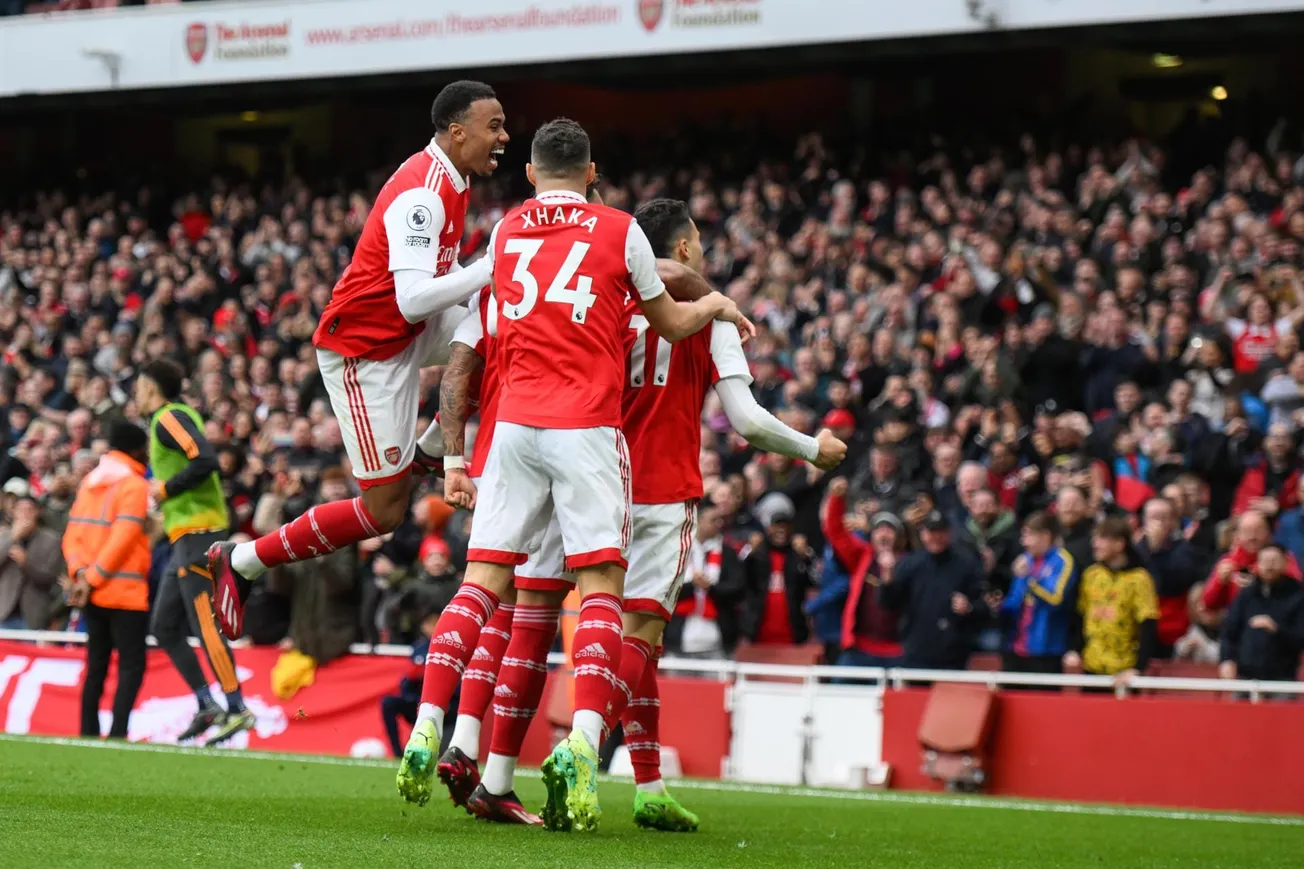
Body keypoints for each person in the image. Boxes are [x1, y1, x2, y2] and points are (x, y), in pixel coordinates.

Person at [397, 118, 750, 834]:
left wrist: (454, 454)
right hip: (584, 425)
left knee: (481, 586)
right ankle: (582, 748)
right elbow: (674, 322)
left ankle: (429, 724)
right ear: (592, 172)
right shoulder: (620, 232)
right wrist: (713, 301)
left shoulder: (504, 234)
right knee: (600, 590)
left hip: (513, 432)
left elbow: (467, 347)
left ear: (529, 173)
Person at [209, 81, 511, 639]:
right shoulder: (423, 192)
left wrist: (482, 289)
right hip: (365, 351)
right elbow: (412, 297)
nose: (504, 137)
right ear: (457, 130)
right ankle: (243, 560)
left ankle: (428, 453)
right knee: (384, 513)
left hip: (405, 332)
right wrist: (490, 267)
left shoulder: (452, 179)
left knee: (503, 338)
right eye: (493, 126)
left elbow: (429, 293)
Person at [134, 359, 253, 745]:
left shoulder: (167, 417)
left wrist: (165, 490)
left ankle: (237, 708)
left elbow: (205, 460)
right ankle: (207, 704)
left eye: (138, 386)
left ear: (151, 387)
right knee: (164, 626)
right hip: (183, 535)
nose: (135, 393)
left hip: (199, 534)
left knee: (205, 622)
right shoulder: (169, 419)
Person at [61, 420, 151, 739]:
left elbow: (72, 535)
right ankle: (117, 734)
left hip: (91, 594)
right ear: (138, 449)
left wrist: (80, 575)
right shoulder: (135, 485)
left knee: (96, 665)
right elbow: (123, 537)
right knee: (131, 666)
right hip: (124, 592)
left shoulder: (90, 481)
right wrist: (94, 578)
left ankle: (87, 733)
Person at [879, 509, 987, 670]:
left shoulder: (966, 564)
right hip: (915, 652)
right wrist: (887, 580)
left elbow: (983, 606)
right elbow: (888, 604)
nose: (936, 537)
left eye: (941, 532)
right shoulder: (910, 564)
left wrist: (968, 607)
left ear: (949, 533)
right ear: (922, 534)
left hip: (954, 655)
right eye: (931, 532)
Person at [1064, 516, 1160, 686]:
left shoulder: (1139, 579)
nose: (1095, 544)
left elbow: (1148, 624)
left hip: (1124, 672)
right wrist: (1075, 650)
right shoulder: (1091, 575)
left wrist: (1138, 668)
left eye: (1102, 538)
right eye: (1095, 538)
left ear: (1119, 544)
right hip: (1091, 667)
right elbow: (1081, 615)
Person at [821, 478, 905, 670]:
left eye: (890, 530)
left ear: (900, 538)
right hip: (859, 649)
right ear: (872, 536)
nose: (884, 534)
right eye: (879, 530)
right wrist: (836, 498)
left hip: (900, 652)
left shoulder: (911, 563)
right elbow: (835, 531)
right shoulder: (861, 557)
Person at [1000, 511, 1077, 678]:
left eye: (1028, 535)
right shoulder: (1025, 560)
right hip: (1015, 647)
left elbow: (1055, 599)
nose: (1023, 541)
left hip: (1046, 649)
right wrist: (998, 605)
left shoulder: (1062, 561)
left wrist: (1029, 579)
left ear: (1045, 536)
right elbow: (1014, 600)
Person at [1218, 544, 1304, 684]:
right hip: (1245, 675)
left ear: (1285, 563)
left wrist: (1276, 629)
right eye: (1264, 561)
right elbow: (1229, 631)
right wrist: (1227, 659)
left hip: (1282, 677)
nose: (1269, 567)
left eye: (1274, 561)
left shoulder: (1297, 595)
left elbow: (1300, 636)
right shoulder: (1247, 594)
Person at [1134, 496, 1205, 657]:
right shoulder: (1135, 551)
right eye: (1154, 517)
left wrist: (1156, 549)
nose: (1158, 523)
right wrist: (1149, 550)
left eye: (1164, 518)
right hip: (1137, 629)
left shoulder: (1185, 550)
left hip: (1171, 630)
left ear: (1173, 521)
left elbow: (1168, 584)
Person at [0, 493, 64, 630]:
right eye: (20, 510)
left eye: (29, 510)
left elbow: (51, 578)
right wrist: (13, 537)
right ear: (13, 512)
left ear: (37, 512)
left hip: (33, 614)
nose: (25, 514)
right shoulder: (4, 536)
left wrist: (26, 564)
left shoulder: (51, 540)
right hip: (4, 611)